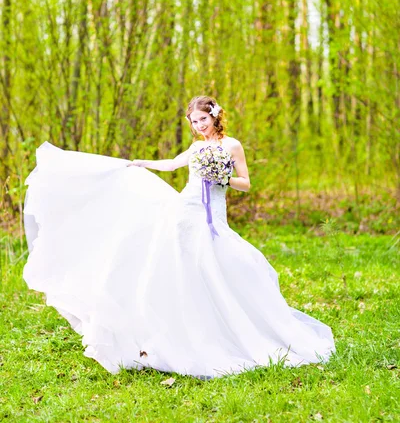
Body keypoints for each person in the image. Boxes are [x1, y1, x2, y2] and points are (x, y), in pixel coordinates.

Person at [23, 95, 335, 378]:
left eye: (204, 119)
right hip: (186, 208)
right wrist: (142, 163)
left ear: (215, 116)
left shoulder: (232, 145)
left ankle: (227, 325)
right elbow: (173, 165)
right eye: (194, 121)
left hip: (213, 211)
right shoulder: (198, 148)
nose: (200, 126)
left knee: (221, 261)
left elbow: (246, 183)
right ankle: (174, 327)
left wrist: (222, 176)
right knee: (177, 262)